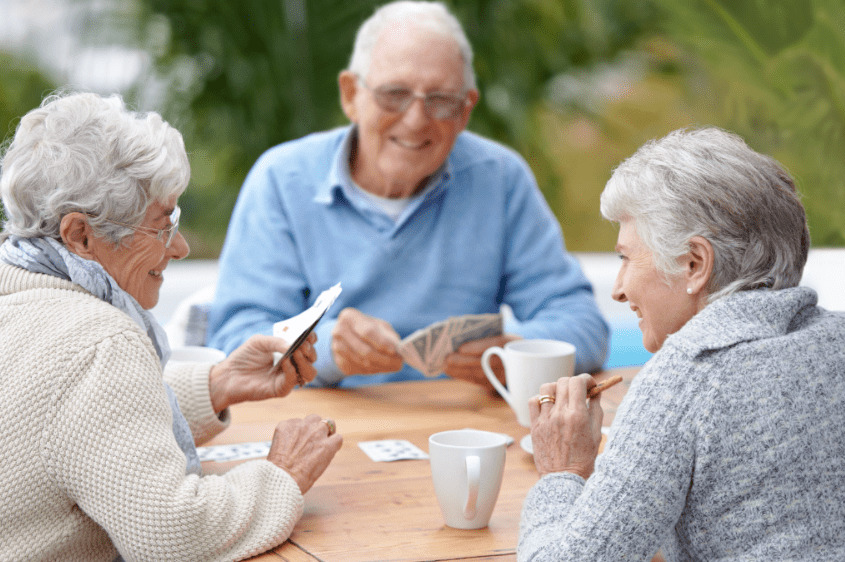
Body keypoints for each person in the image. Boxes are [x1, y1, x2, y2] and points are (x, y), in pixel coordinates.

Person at [0, 92, 342, 561]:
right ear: (79, 235)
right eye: (162, 225)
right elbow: (175, 539)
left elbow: (76, 424)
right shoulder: (99, 343)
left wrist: (218, 384)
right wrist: (281, 474)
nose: (181, 247)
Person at [518, 127, 845, 560]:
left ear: (695, 264)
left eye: (626, 257)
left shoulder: (688, 379)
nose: (618, 289)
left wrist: (561, 471)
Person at [206, 0, 609, 388]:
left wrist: (518, 353)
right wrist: (326, 349)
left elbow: (585, 325)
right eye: (394, 94)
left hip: (463, 432)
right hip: (320, 428)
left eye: (441, 100)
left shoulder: (500, 179)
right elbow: (232, 344)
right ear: (351, 95)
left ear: (465, 110)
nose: (416, 121)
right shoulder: (282, 179)